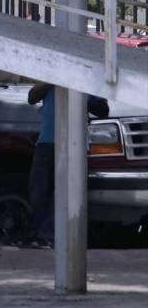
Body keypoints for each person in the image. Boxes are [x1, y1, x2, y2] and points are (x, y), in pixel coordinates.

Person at [26, 83, 109, 248]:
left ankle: (50, 236)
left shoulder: (83, 81)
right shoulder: (48, 81)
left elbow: (103, 110)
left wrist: (83, 94)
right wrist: (52, 80)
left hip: (73, 143)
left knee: (64, 192)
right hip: (47, 142)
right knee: (39, 192)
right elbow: (32, 97)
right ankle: (41, 235)